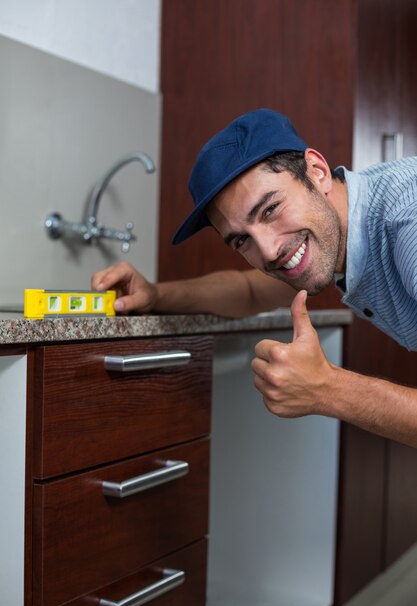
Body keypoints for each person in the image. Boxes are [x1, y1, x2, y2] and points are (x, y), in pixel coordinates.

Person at [92, 109, 417, 447]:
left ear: (317, 172)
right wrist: (155, 296)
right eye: (241, 239)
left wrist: (327, 388)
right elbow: (248, 291)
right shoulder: (335, 233)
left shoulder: (407, 216)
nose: (269, 250)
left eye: (270, 210)